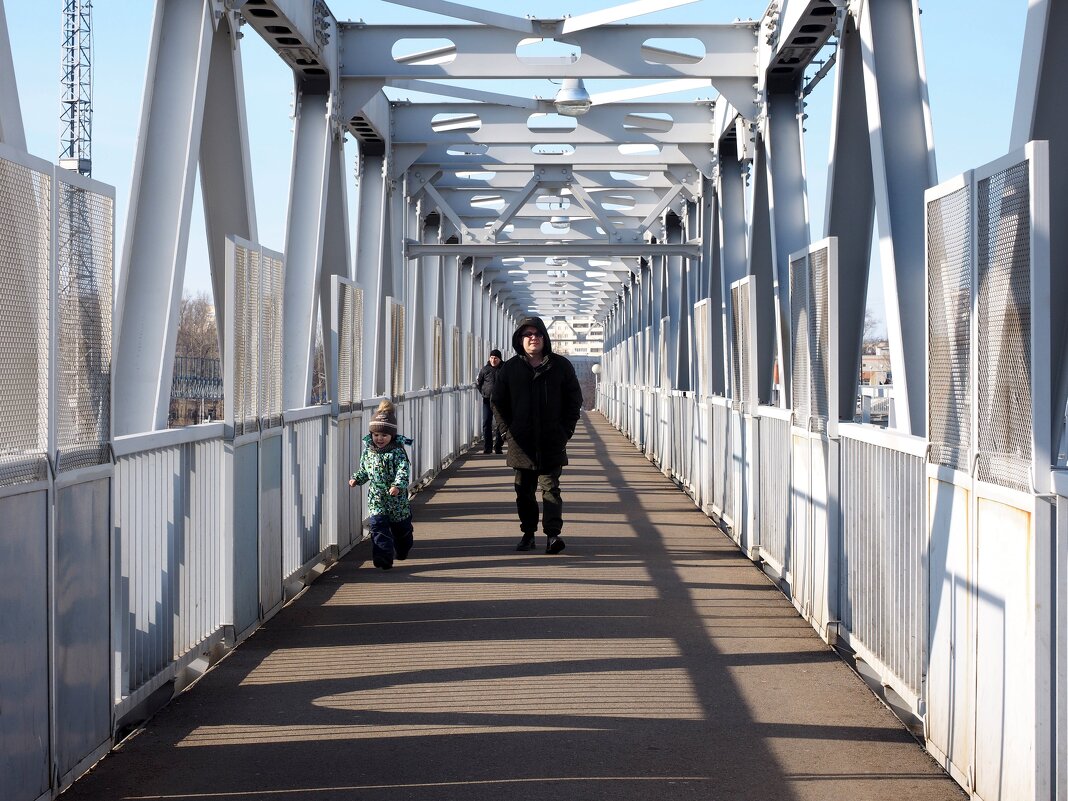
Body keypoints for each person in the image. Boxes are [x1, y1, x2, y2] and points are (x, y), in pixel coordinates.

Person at [492, 316, 583, 554]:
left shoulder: (560, 366)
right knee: (524, 492)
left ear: (545, 338)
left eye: (538, 334)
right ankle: (528, 533)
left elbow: (574, 401)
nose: (533, 338)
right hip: (521, 443)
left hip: (552, 440)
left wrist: (565, 431)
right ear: (520, 340)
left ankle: (553, 535)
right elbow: (497, 402)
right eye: (528, 334)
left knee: (551, 489)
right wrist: (506, 432)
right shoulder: (510, 369)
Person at [348, 399, 414, 570]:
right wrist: (357, 478)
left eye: (384, 435)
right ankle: (383, 558)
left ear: (391, 436)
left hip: (397, 501)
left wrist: (398, 486)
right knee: (378, 527)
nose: (379, 438)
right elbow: (364, 470)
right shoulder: (368, 452)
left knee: (402, 531)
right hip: (377, 499)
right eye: (376, 435)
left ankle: (403, 548)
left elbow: (403, 471)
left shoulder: (398, 452)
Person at [475, 348, 504, 454]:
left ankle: (498, 446)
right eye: (491, 358)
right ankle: (487, 447)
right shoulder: (485, 369)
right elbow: (478, 382)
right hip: (487, 400)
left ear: (500, 359)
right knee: (486, 423)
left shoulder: (505, 369)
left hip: (501, 401)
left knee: (500, 423)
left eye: (495, 358)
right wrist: (483, 393)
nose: (493, 360)